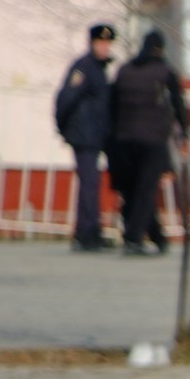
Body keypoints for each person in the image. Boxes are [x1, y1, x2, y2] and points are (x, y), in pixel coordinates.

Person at [108, 29, 187, 256]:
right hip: (153, 140)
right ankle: (133, 238)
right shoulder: (164, 72)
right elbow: (178, 103)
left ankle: (157, 237)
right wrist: (185, 128)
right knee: (145, 190)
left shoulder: (124, 71)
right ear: (160, 49)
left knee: (132, 190)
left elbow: (111, 105)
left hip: (123, 140)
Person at [54, 23, 115, 251]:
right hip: (84, 134)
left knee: (92, 182)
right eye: (101, 43)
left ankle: (89, 229)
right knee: (89, 183)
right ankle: (86, 233)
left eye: (108, 43)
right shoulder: (84, 67)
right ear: (92, 43)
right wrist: (63, 127)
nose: (105, 47)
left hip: (95, 134)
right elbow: (66, 98)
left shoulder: (98, 68)